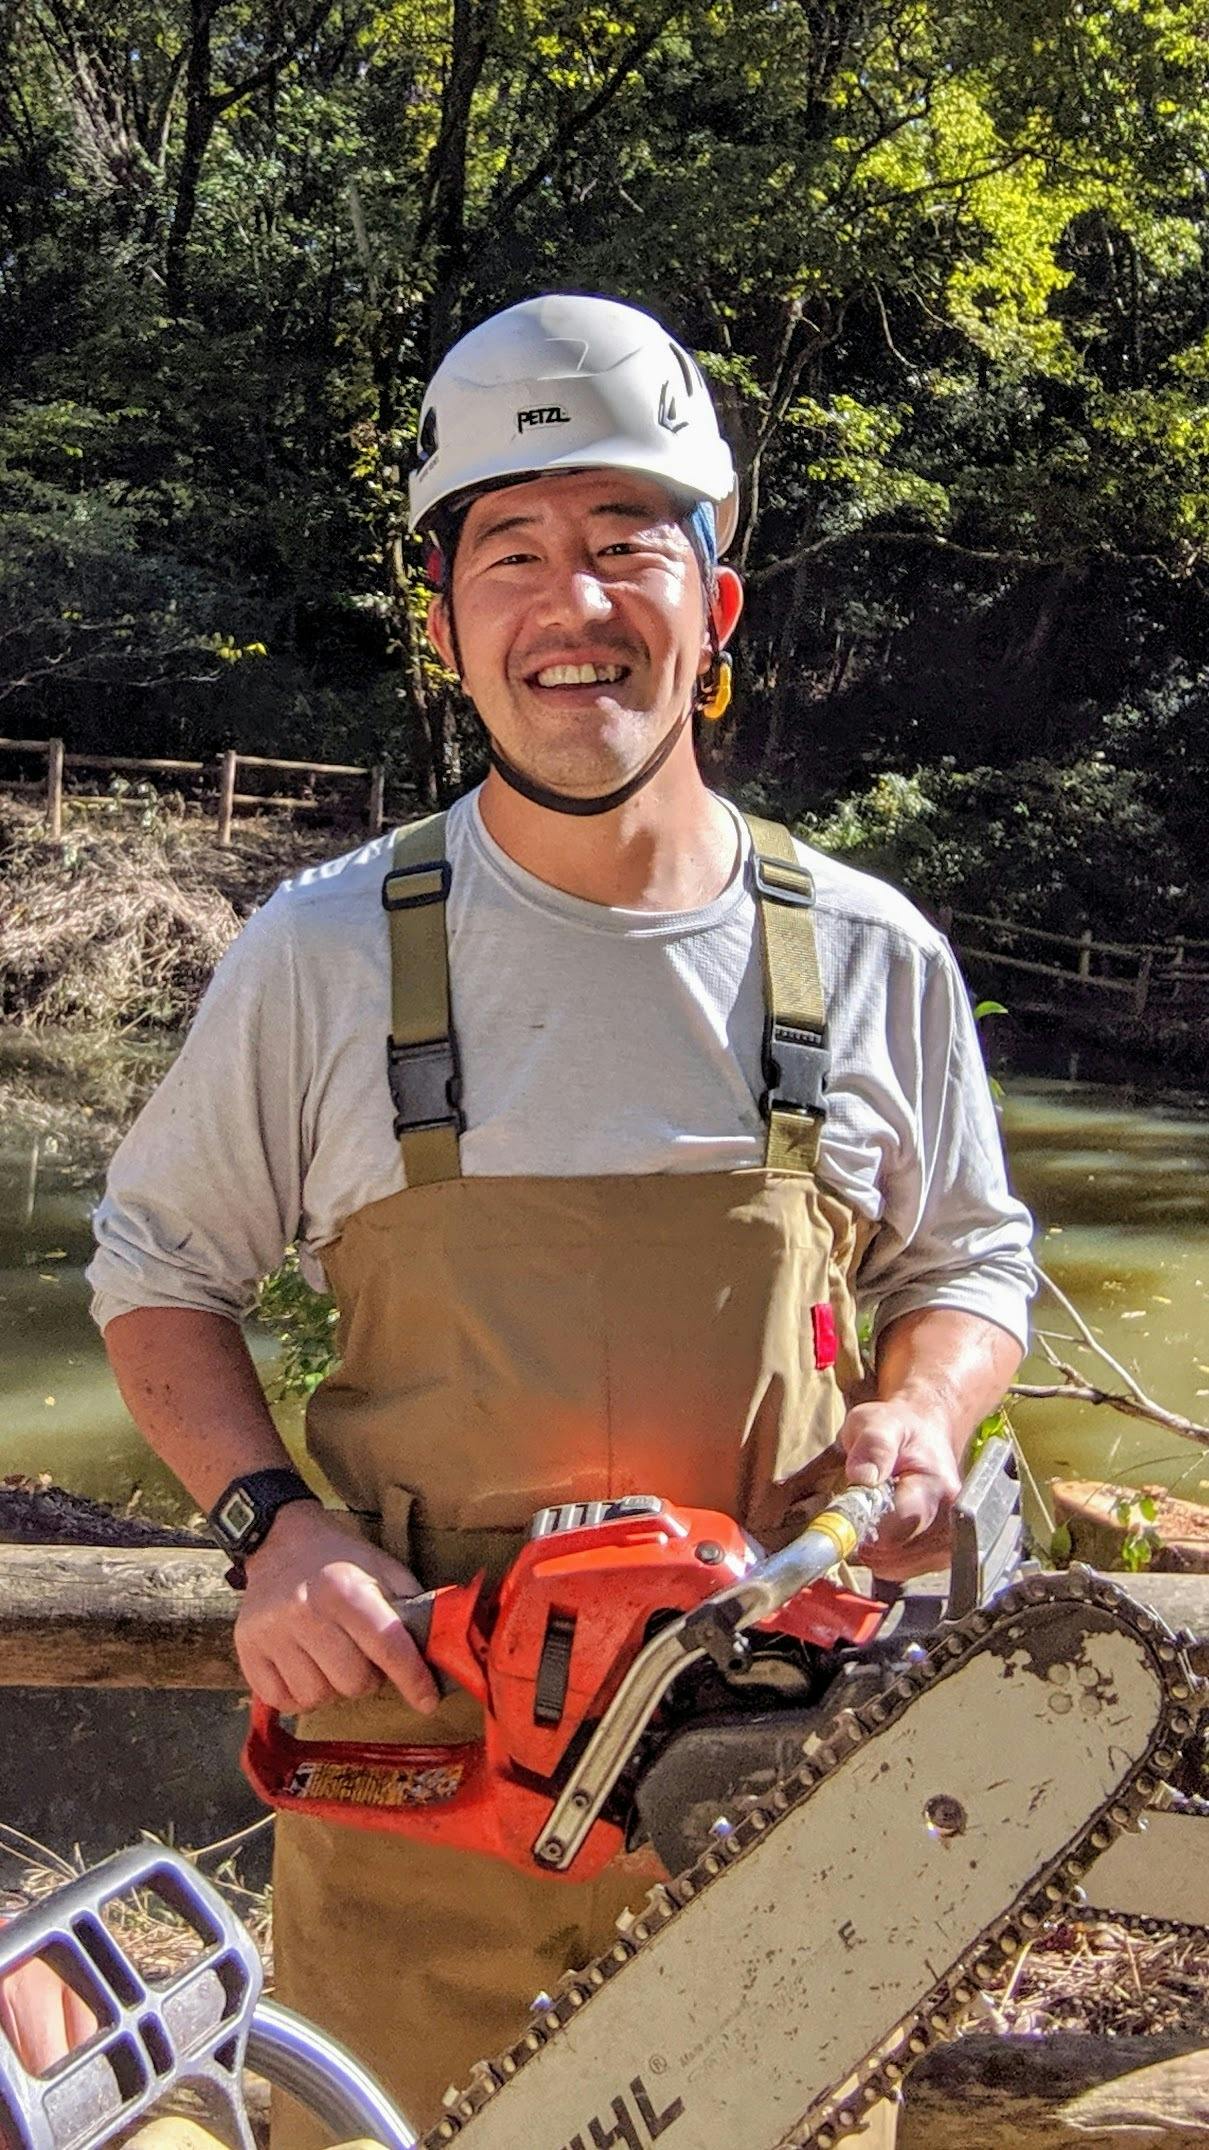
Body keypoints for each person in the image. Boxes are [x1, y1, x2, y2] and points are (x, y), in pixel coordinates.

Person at [74, 294, 1033, 2146]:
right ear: (445, 626)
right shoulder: (323, 953)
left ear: (714, 605)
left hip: (775, 1785)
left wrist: (923, 1407)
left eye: (623, 543)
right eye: (509, 550)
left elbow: (967, 1260)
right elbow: (156, 1270)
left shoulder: (869, 951)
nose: (569, 602)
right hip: (415, 1784)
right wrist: (272, 1528)